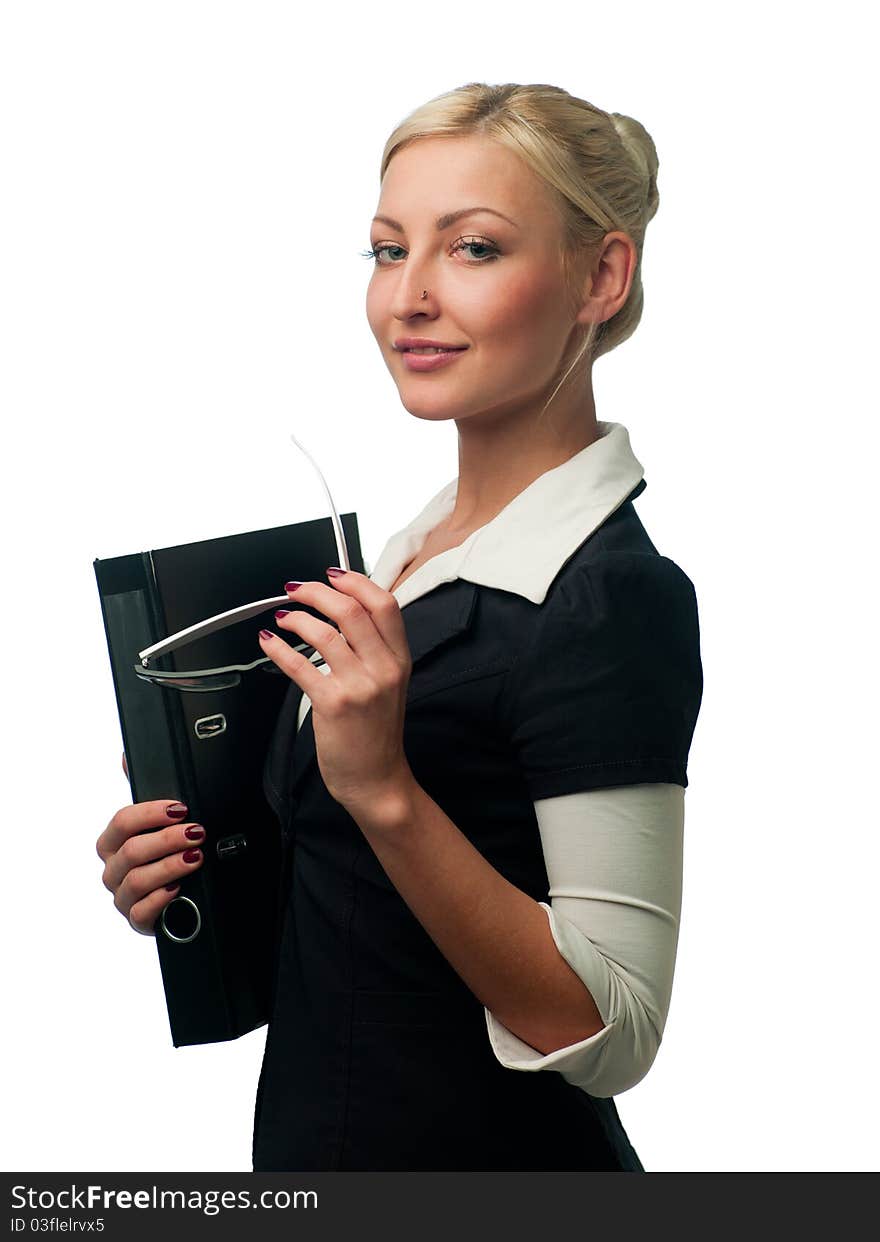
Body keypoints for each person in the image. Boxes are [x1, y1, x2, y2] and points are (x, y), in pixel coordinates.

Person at [96, 81, 703, 1172]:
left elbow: (611, 1031)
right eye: (386, 251)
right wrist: (197, 874)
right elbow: (369, 921)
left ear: (598, 278)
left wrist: (384, 792)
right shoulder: (408, 558)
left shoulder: (608, 597)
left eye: (471, 248)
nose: (409, 297)